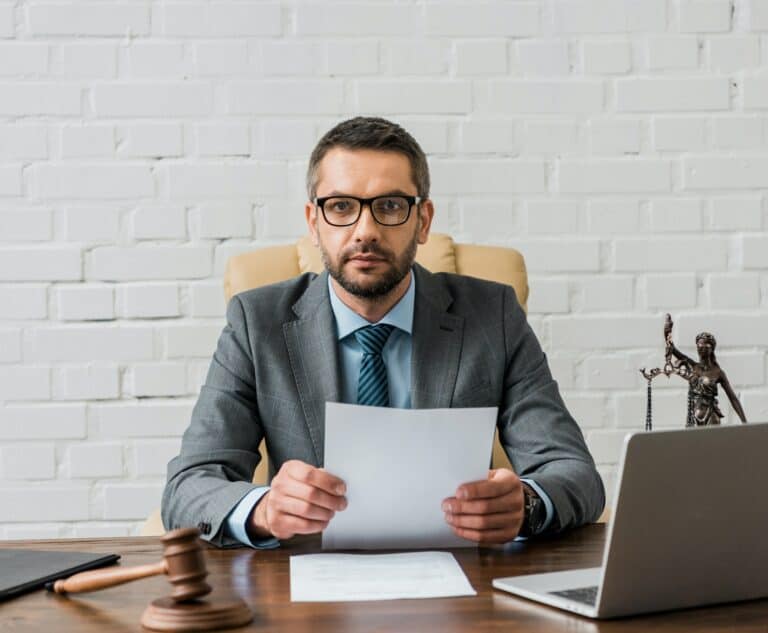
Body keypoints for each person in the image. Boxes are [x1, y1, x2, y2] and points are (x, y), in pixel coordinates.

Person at [162, 116, 605, 548]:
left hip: (459, 578)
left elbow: (574, 473)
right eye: (340, 207)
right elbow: (189, 487)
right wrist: (263, 510)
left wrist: (526, 504)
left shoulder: (494, 316)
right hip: (309, 587)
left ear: (423, 220)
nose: (366, 231)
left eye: (390, 206)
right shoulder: (256, 323)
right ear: (313, 222)